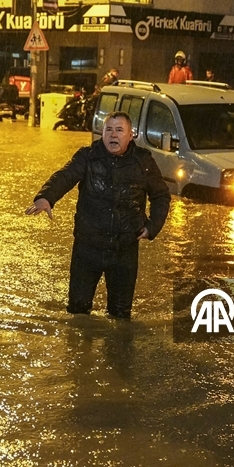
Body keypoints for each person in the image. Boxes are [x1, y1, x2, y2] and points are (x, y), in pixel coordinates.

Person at [25, 112, 171, 319]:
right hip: (87, 249)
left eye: (119, 130)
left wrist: (152, 226)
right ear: (101, 134)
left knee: (121, 316)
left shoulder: (143, 162)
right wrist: (46, 197)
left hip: (125, 250)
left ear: (131, 135)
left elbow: (161, 196)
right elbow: (65, 176)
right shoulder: (87, 156)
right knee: (78, 312)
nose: (113, 135)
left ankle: (116, 350)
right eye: (108, 130)